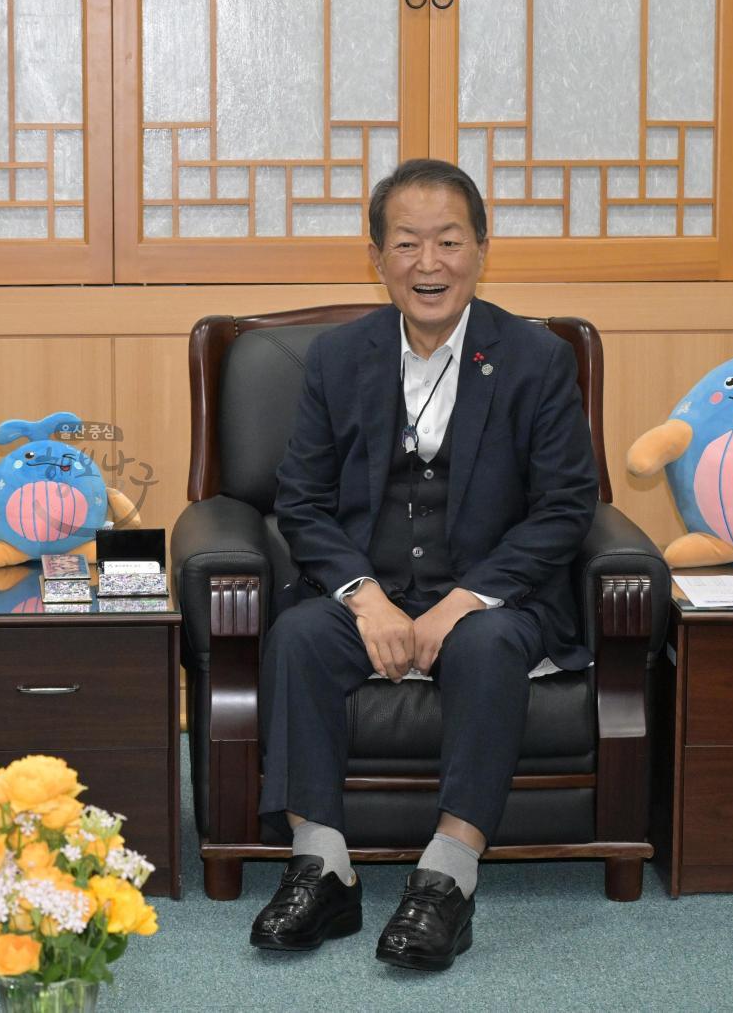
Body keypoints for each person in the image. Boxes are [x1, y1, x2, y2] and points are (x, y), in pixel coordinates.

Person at [248, 159, 598, 971]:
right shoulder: (338, 358)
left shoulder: (536, 358)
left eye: (447, 240)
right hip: (368, 582)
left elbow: (564, 506)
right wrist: (363, 596)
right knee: (299, 634)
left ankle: (447, 876)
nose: (427, 263)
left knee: (482, 645)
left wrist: (464, 600)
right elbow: (298, 498)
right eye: (405, 243)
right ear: (376, 256)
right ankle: (321, 865)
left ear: (482, 248)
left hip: (492, 593)